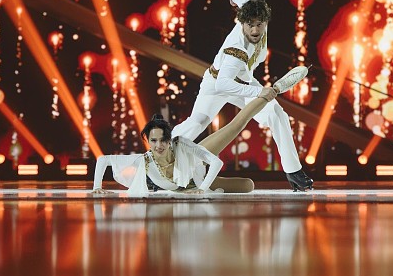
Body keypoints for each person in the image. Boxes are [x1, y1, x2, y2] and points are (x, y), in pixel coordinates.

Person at [170, 0, 314, 191]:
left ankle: (293, 172)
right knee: (198, 122)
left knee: (277, 114)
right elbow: (223, 84)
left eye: (259, 25)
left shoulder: (254, 13)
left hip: (244, 81)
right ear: (242, 23)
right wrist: (259, 92)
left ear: (265, 22)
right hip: (216, 84)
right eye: (250, 25)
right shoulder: (235, 49)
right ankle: (159, 159)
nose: (255, 30)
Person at [92, 65, 308, 196]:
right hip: (195, 183)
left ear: (169, 140)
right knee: (248, 186)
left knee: (236, 124)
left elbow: (216, 162)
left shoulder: (181, 145)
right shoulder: (145, 161)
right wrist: (96, 187)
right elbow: (103, 160)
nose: (158, 146)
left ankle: (274, 90)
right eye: (153, 141)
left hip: (198, 169)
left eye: (162, 140)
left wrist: (202, 188)